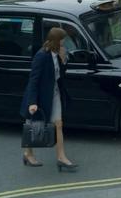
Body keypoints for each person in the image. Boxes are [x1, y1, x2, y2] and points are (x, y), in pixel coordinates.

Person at [20, 27, 78, 172]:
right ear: (56, 40)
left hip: (55, 92)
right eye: (63, 41)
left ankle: (61, 157)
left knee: (59, 123)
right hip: (41, 95)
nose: (64, 44)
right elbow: (33, 80)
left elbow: (59, 75)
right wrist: (32, 102)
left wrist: (64, 60)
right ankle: (28, 153)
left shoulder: (58, 53)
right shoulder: (42, 56)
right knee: (33, 126)